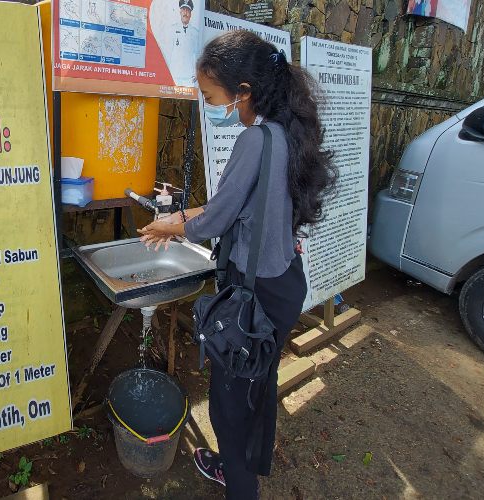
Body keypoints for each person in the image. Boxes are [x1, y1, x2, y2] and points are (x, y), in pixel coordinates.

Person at [138, 31, 336, 499]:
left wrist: (170, 226)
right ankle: (243, 462)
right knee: (257, 385)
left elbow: (218, 218)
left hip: (254, 297)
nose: (208, 102)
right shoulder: (289, 132)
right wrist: (182, 217)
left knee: (229, 402)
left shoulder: (256, 139)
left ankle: (241, 486)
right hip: (284, 284)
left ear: (242, 91)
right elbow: (238, 206)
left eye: (210, 95)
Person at [167, 0, 199, 87]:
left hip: (189, 78)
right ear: (180, 12)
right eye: (184, 10)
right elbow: (167, 52)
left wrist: (197, 72)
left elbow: (197, 55)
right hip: (174, 75)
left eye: (188, 10)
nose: (185, 13)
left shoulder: (195, 33)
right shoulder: (172, 29)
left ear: (191, 14)